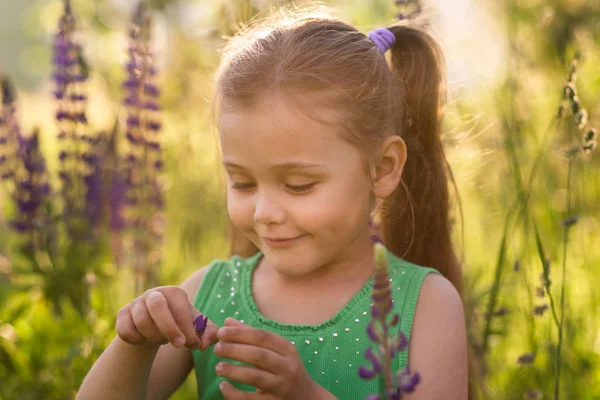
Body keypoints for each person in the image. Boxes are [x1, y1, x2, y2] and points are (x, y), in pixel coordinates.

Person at [77, 5, 468, 400]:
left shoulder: (426, 307)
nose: (264, 213)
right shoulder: (209, 297)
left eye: (299, 185)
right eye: (243, 183)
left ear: (383, 169)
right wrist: (135, 345)